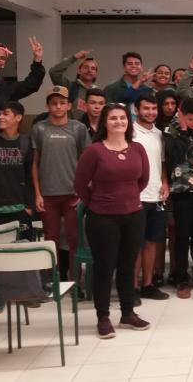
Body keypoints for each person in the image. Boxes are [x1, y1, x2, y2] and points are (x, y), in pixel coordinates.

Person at [75, 103, 151, 338]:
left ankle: (128, 313)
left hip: (134, 215)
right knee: (105, 268)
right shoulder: (94, 151)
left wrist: (126, 200)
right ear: (105, 123)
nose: (119, 122)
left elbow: (143, 180)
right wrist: (99, 202)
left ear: (128, 122)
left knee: (128, 267)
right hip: (102, 218)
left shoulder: (137, 148)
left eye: (122, 118)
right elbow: (80, 185)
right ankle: (103, 317)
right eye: (113, 119)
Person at [32, 86, 90, 278]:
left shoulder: (78, 128)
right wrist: (38, 193)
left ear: (68, 105)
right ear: (48, 105)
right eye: (54, 103)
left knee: (75, 239)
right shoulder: (39, 128)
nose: (58, 106)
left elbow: (87, 163)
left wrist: (83, 193)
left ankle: (75, 281)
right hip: (48, 194)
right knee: (51, 239)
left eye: (62, 103)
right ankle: (52, 279)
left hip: (72, 194)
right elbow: (35, 163)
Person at [164, 97, 193, 299]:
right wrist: (182, 130)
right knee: (182, 237)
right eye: (190, 119)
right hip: (181, 190)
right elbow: (175, 157)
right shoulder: (170, 130)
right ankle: (181, 277)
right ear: (181, 114)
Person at [131, 93, 169, 301]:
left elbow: (162, 164)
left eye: (154, 109)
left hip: (156, 196)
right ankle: (133, 287)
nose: (150, 112)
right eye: (146, 108)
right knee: (135, 244)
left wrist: (165, 182)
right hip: (135, 197)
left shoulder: (159, 134)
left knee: (152, 242)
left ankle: (148, 284)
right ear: (137, 110)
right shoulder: (129, 133)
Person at [0, 102, 33, 235]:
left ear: (18, 117)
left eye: (6, 113)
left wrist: (29, 206)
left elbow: (30, 176)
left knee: (20, 252)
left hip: (19, 210)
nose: (0, 117)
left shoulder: (26, 142)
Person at [0, 39, 45, 133]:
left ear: (3, 64)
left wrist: (37, 60)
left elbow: (31, 85)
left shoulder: (6, 87)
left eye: (2, 58)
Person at [48, 49, 98, 114]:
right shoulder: (69, 86)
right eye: (86, 67)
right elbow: (54, 72)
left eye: (93, 68)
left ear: (96, 74)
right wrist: (74, 57)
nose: (89, 70)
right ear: (79, 71)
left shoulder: (98, 92)